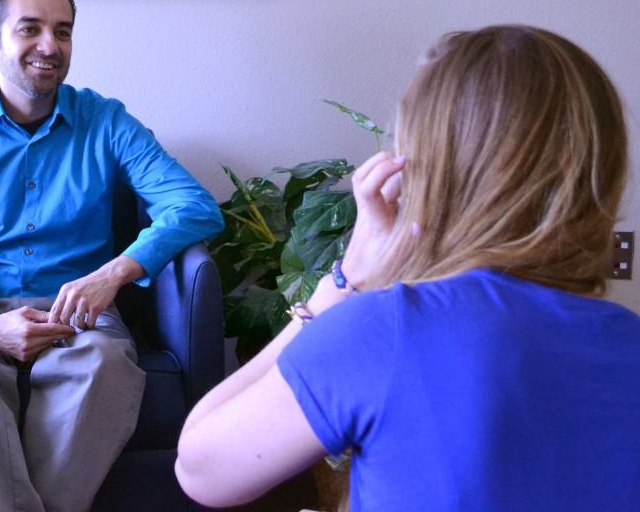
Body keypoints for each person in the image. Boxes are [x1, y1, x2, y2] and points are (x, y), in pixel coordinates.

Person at [175, 25, 640, 510]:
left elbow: (200, 468)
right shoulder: (630, 341)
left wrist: (342, 283)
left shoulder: (388, 331)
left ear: (428, 170)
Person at [0, 0, 223, 512]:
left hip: (79, 314)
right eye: (29, 29)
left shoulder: (106, 121)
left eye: (63, 31)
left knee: (105, 364)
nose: (49, 47)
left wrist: (114, 273)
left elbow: (193, 207)